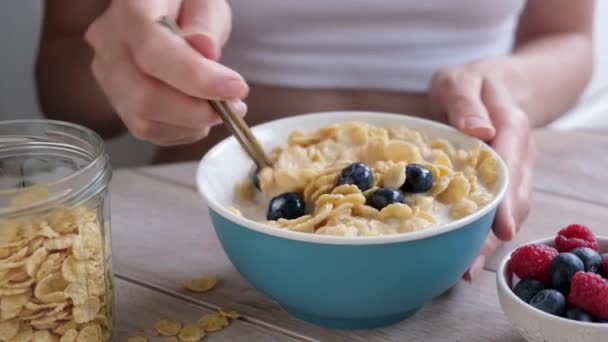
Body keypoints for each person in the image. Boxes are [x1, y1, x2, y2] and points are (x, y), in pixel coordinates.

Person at [35, 0, 595, 280]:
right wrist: (129, 64)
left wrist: (505, 89)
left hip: (456, 239)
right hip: (189, 227)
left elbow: (566, 37)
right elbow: (60, 78)